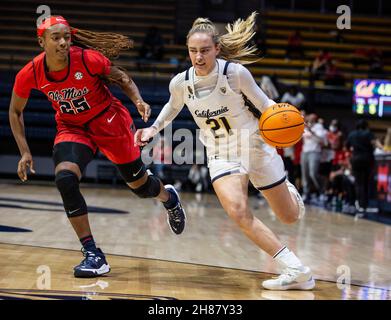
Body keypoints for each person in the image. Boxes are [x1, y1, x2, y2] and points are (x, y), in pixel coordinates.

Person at [135, 12, 315, 291]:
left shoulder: (235, 73)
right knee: (238, 212)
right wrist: (152, 130)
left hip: (254, 144)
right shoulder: (181, 83)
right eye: (193, 51)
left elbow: (267, 106)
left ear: (217, 49)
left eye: (205, 50)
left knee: (289, 217)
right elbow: (172, 107)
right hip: (221, 153)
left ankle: (288, 189)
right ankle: (296, 269)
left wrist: (285, 123)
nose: (198, 57)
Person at [8, 16, 186, 278]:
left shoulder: (87, 59)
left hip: (109, 121)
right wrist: (24, 151)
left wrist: (138, 100)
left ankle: (169, 198)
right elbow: (15, 111)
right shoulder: (30, 72)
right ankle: (93, 253)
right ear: (41, 41)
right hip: (73, 128)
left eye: (66, 37)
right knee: (65, 179)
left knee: (141, 188)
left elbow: (121, 77)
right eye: (55, 38)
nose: (62, 42)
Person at [346, 120, 382, 213]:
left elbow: (347, 147)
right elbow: (376, 144)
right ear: (366, 126)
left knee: (358, 183)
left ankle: (359, 204)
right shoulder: (368, 133)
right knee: (366, 182)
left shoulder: (351, 134)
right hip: (367, 159)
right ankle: (364, 205)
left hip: (356, 159)